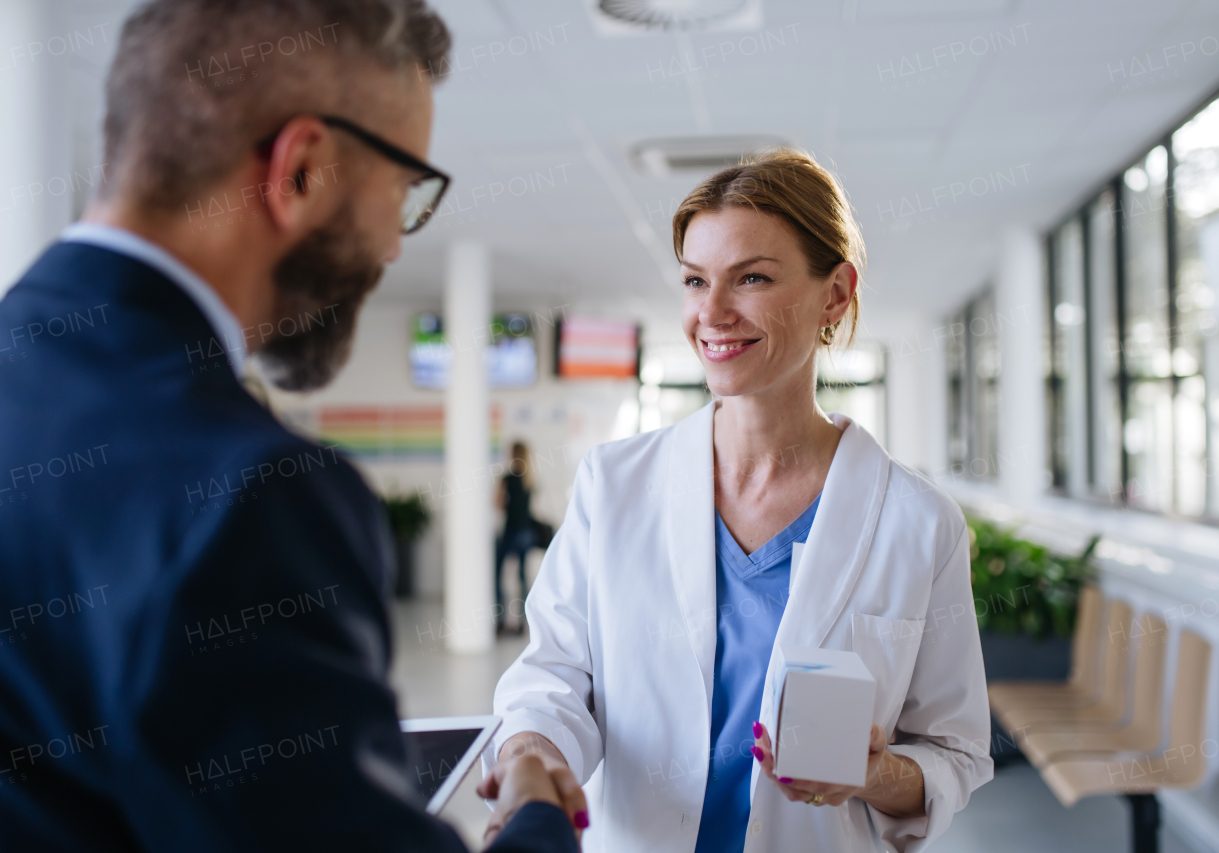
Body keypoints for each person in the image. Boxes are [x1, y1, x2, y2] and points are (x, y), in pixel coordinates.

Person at [0, 1, 583, 850]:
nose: (392, 246)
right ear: (302, 169)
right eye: (404, 192)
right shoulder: (246, 497)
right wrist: (537, 809)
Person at [484, 150, 994, 851]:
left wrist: (874, 773)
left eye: (751, 277)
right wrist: (531, 755)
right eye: (696, 280)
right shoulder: (614, 484)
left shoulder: (919, 523)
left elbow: (955, 752)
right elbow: (556, 673)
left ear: (835, 294)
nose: (712, 312)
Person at [495, 441, 538, 633]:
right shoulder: (530, 479)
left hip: (511, 530)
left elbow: (496, 502)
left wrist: (506, 506)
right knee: (522, 577)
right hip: (527, 532)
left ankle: (501, 621)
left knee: (497, 575)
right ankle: (522, 623)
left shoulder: (507, 478)